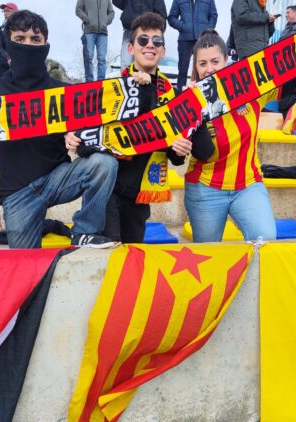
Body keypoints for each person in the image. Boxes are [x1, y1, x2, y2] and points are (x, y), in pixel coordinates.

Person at [0, 10, 119, 249]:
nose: (28, 45)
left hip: (58, 178)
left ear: (45, 44)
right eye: (20, 39)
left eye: (35, 39)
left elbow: (87, 139)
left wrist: (74, 137)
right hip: (17, 193)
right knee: (24, 268)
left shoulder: (63, 92)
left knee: (104, 164)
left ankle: (85, 231)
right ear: (8, 43)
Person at [95, 12, 212, 244]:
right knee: (109, 262)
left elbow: (187, 153)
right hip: (106, 190)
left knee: (131, 265)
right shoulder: (109, 90)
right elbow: (92, 135)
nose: (150, 45)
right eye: (143, 40)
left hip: (139, 196)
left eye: (157, 41)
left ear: (163, 50)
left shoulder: (174, 97)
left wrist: (179, 148)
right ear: (131, 48)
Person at [184, 29, 276, 243]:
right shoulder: (190, 99)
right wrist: (192, 108)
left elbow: (288, 76)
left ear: (226, 60)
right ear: (195, 68)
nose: (209, 69)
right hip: (204, 187)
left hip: (248, 185)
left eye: (215, 61)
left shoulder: (249, 87)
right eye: (203, 64)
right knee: (208, 257)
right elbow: (202, 152)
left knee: (266, 240)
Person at [167, 0, 218, 92]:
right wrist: (183, 27)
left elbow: (213, 16)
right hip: (184, 39)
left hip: (203, 39)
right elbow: (171, 18)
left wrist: (207, 31)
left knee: (203, 68)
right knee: (182, 69)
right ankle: (180, 94)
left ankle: (203, 93)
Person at [112, 0, 167, 69]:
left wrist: (158, 34)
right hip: (130, 31)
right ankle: (126, 79)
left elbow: (162, 16)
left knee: (147, 63)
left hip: (148, 33)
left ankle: (147, 79)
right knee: (126, 61)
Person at [76, 0, 115, 82]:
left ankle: (101, 81)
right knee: (88, 57)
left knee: (102, 59)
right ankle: (89, 81)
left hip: (103, 33)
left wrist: (106, 21)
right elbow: (78, 9)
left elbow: (111, 12)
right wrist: (86, 18)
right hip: (89, 32)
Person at [0, 2, 18, 77]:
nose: (5, 13)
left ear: (15, 13)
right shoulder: (1, 29)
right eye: (4, 11)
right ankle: (6, 83)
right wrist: (8, 58)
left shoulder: (24, 28)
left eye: (8, 11)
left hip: (21, 58)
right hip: (7, 60)